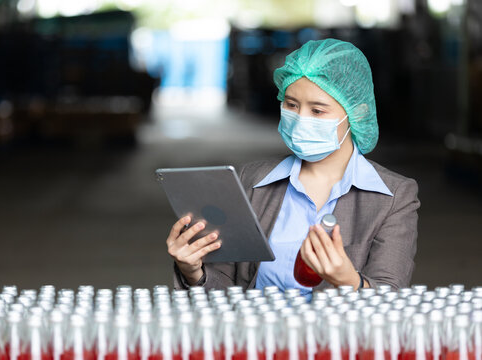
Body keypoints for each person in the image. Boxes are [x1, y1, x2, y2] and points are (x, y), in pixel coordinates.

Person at [165, 38, 420, 294]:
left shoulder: (395, 197)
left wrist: (349, 281)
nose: (300, 121)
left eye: (317, 111)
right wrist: (193, 270)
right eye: (291, 105)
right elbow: (225, 287)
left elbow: (390, 294)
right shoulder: (251, 180)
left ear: (358, 113)